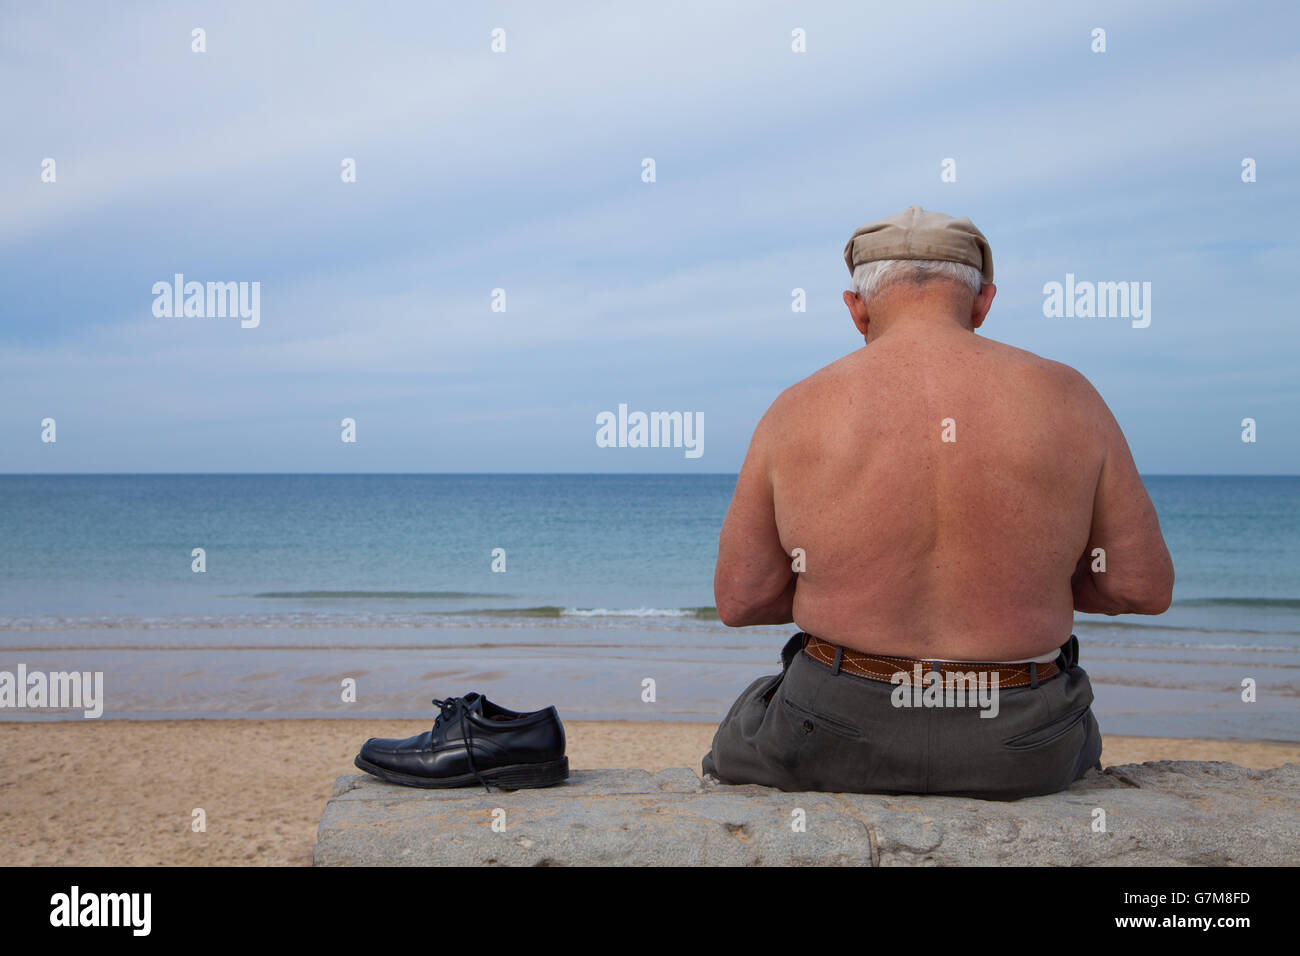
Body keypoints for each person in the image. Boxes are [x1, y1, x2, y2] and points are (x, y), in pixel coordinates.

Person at [701, 206, 1174, 799]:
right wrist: (1026, 581)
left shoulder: (795, 408)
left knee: (746, 721)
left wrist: (855, 584)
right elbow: (1141, 587)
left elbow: (742, 600)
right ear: (982, 302)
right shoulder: (1071, 396)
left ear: (856, 307)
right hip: (1022, 741)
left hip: (834, 729)